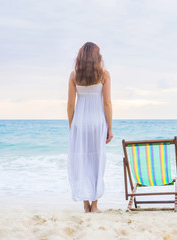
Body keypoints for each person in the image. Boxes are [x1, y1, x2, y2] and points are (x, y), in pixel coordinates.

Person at [67, 42, 113, 213]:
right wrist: (110, 128)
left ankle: (85, 205)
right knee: (96, 162)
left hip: (80, 122)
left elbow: (71, 104)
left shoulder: (74, 76)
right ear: (97, 57)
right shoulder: (104, 74)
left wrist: (72, 127)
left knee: (82, 162)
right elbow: (107, 103)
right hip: (97, 123)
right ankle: (94, 205)